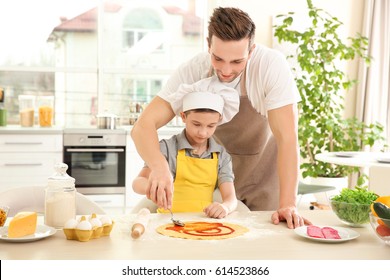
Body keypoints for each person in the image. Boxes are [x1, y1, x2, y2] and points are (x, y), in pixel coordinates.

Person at [131, 7, 311, 228]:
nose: (226, 70)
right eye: (218, 58)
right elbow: (142, 126)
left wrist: (288, 204)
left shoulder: (271, 67)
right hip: (215, 182)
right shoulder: (193, 71)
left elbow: (287, 138)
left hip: (265, 178)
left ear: (251, 50)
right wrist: (159, 168)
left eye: (237, 62)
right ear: (208, 45)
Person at [132, 76, 239, 219]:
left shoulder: (221, 156)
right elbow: (137, 183)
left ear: (218, 121)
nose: (203, 132)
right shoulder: (167, 148)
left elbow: (231, 198)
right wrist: (153, 188)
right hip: (167, 221)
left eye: (211, 126)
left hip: (204, 223)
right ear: (183, 116)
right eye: (196, 124)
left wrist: (224, 207)